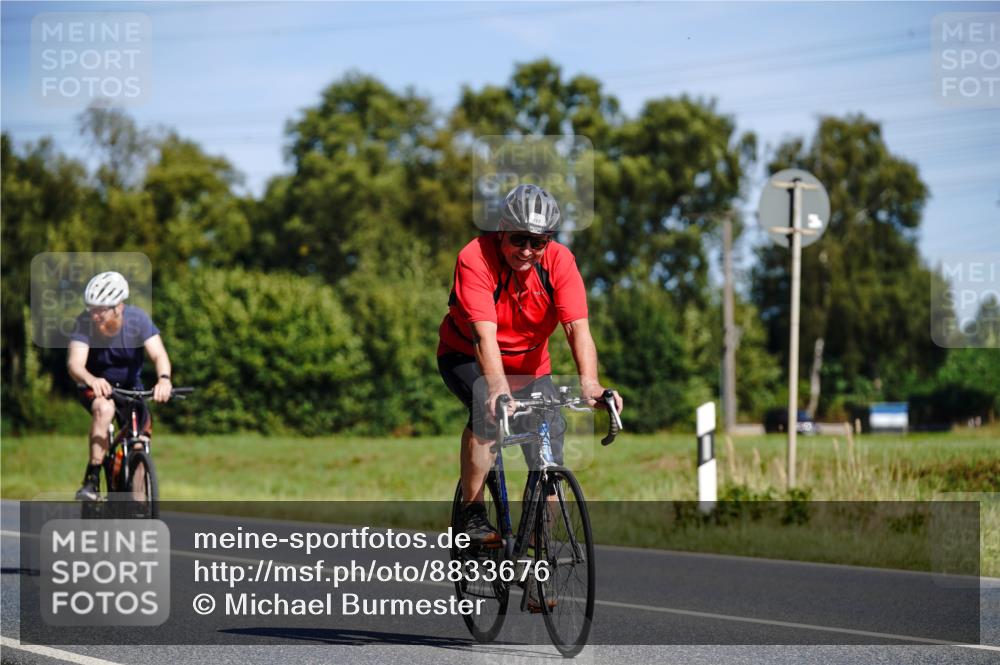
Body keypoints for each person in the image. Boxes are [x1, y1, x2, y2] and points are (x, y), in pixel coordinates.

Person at [438, 184, 624, 546]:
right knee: (486, 413)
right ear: (502, 231)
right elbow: (483, 336)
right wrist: (496, 389)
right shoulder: (475, 257)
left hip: (530, 365)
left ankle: (539, 541)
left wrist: (591, 384)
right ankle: (472, 514)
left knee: (550, 438)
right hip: (467, 355)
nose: (526, 251)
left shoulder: (559, 262)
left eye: (537, 243)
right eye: (519, 239)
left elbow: (577, 328)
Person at [67, 271, 173, 501]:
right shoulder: (84, 323)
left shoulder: (138, 321)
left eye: (101, 310)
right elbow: (75, 365)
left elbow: (159, 355)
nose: (94, 315)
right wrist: (91, 379)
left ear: (118, 307)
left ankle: (138, 505)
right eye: (91, 308)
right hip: (95, 386)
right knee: (104, 410)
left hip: (130, 388)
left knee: (140, 444)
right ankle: (92, 479)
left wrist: (164, 379)